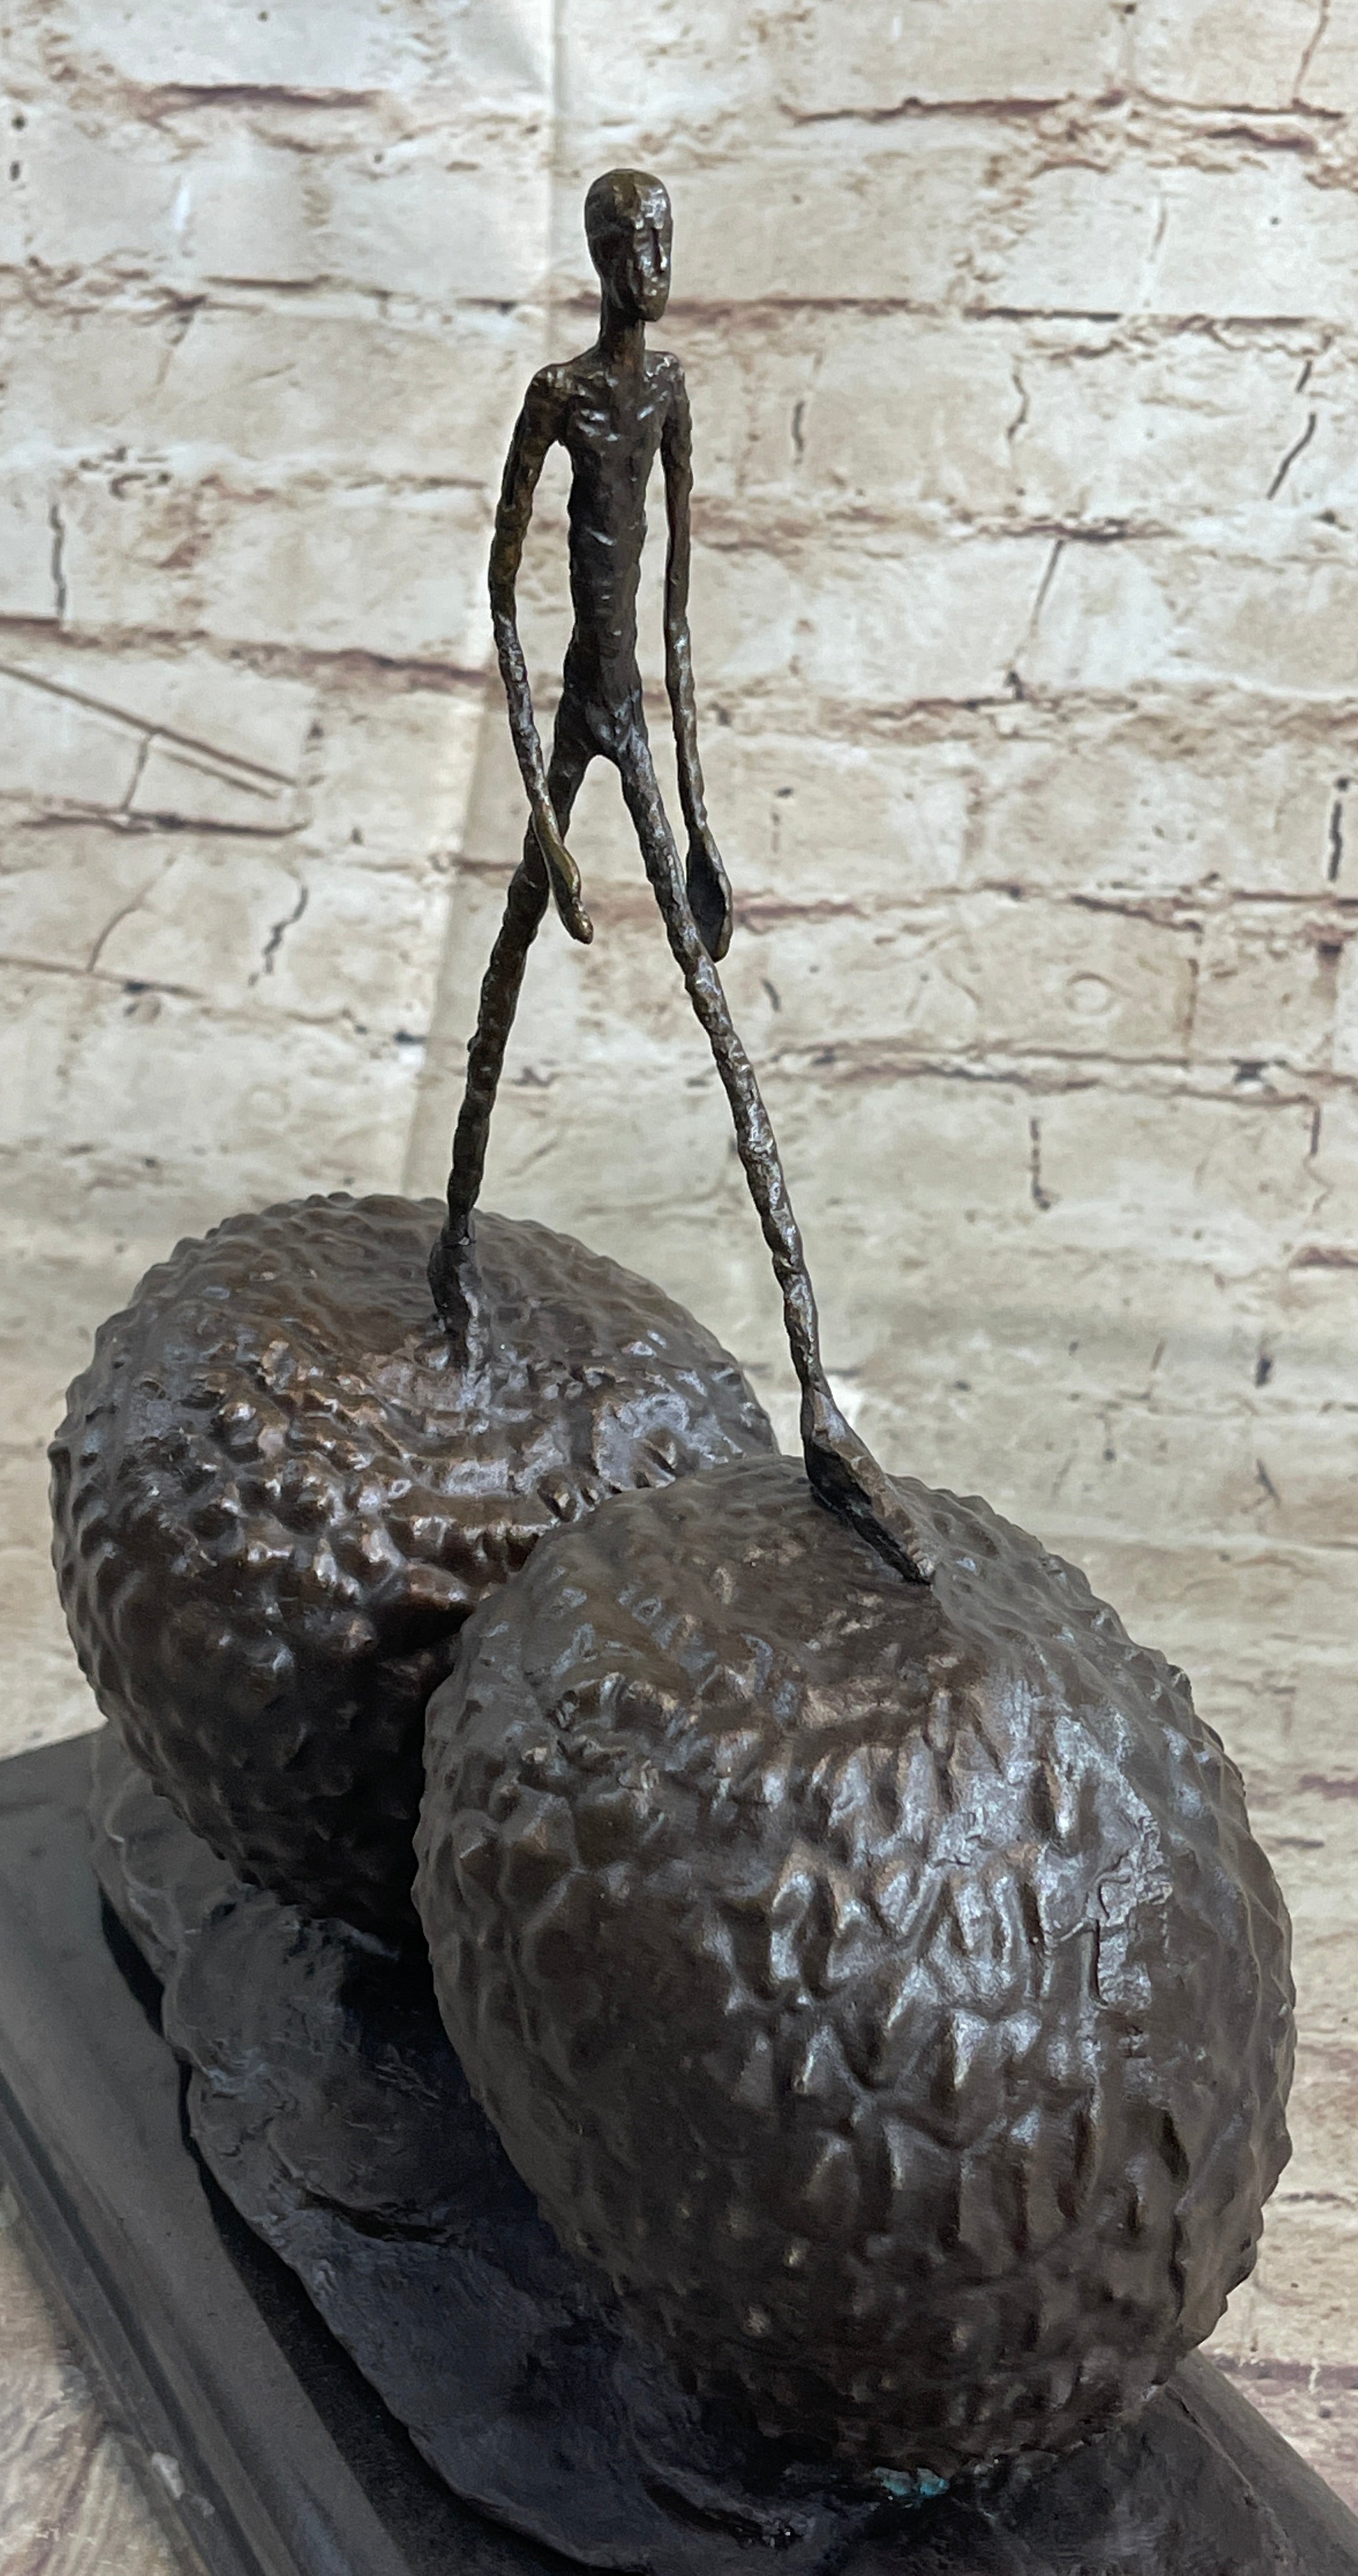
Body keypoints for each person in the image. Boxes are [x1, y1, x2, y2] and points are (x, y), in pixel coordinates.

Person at [430, 169, 931, 1583]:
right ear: (599, 254)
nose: (652, 259)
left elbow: (680, 617)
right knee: (505, 975)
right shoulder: (562, 395)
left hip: (638, 728)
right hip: (572, 726)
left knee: (720, 1033)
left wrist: (700, 820)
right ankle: (453, 1259)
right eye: (630, 240)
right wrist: (539, 811)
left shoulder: (670, 394)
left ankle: (819, 1406)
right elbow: (502, 599)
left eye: (663, 238)